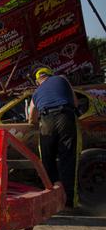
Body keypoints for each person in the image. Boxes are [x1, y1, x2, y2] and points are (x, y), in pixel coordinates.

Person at [28, 67, 80, 208]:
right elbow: (75, 102)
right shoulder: (62, 79)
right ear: (51, 75)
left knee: (47, 160)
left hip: (46, 120)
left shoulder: (36, 92)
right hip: (65, 116)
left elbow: (31, 116)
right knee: (68, 158)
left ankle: (52, 199)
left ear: (38, 81)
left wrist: (32, 123)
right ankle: (69, 202)